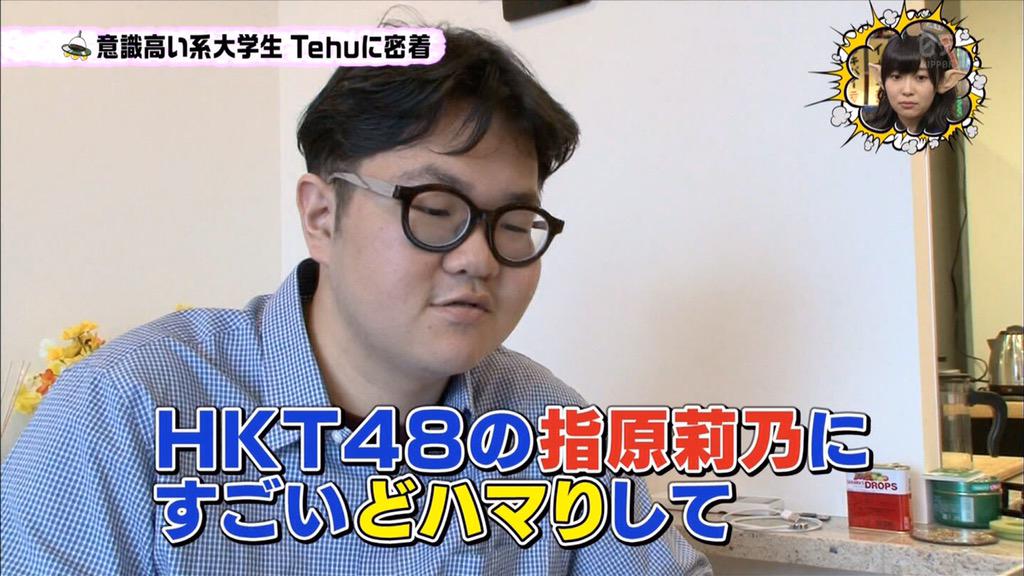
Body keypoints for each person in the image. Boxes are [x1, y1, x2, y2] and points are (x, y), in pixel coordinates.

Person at [1, 21, 712, 576]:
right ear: (321, 216)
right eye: (435, 208)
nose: (479, 258)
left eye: (513, 222)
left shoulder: (549, 425)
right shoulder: (125, 412)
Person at [865, 31, 966, 135]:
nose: (907, 91)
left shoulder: (954, 137)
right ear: (880, 78)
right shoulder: (865, 134)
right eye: (896, 77)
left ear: (945, 81)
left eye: (921, 77)